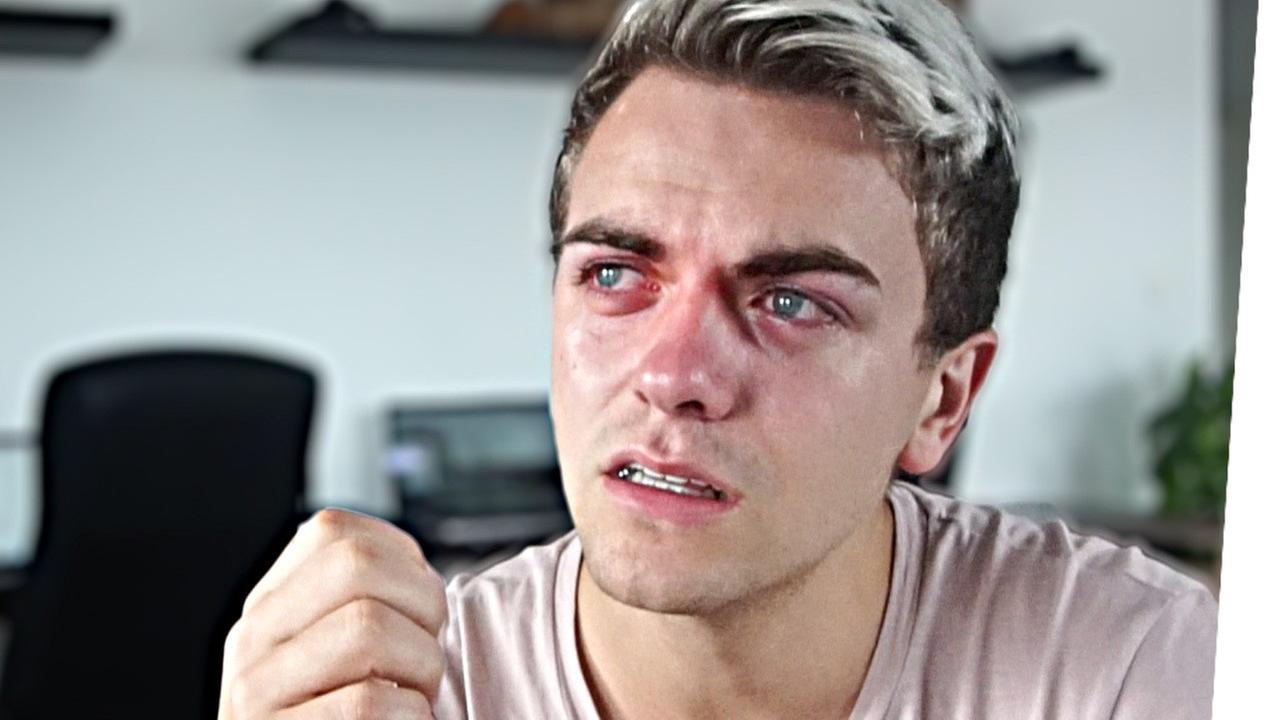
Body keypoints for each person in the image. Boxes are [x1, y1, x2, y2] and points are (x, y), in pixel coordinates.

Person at [216, 1, 1219, 718]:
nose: (672, 375)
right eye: (616, 275)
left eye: (791, 302)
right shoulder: (408, 689)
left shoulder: (1130, 668)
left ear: (942, 400)